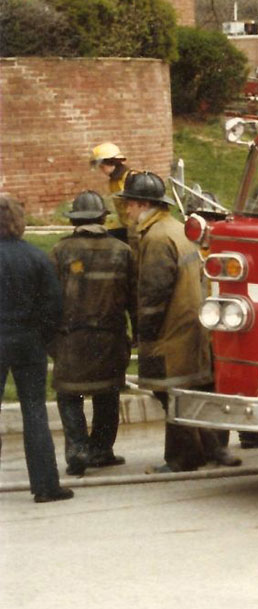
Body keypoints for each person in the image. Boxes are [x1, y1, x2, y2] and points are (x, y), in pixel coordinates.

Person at [116, 171, 241, 472]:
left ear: (144, 204)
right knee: (189, 393)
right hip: (191, 329)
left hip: (169, 334)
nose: (127, 211)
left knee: (171, 394)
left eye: (130, 204)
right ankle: (213, 449)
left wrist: (145, 333)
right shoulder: (176, 229)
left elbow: (152, 293)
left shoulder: (157, 238)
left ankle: (182, 458)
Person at [49, 190, 136, 476]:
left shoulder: (60, 251)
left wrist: (50, 340)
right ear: (103, 218)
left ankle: (77, 449)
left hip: (70, 339)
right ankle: (101, 450)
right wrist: (137, 336)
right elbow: (134, 299)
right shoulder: (122, 251)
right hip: (109, 338)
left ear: (74, 221)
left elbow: (47, 301)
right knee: (107, 393)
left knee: (69, 395)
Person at [0, 194, 74, 503]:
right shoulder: (37, 257)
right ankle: (45, 485)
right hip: (29, 340)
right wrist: (40, 335)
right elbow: (55, 306)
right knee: (35, 411)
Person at [89, 142, 137, 243]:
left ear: (111, 162)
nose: (101, 170)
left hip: (138, 230)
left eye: (102, 167)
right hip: (128, 228)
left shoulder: (131, 178)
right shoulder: (113, 181)